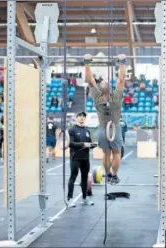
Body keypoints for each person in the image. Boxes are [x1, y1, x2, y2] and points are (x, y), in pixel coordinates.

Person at [84, 53, 126, 185]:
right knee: (116, 153)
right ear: (109, 88)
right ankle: (113, 175)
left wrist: (87, 62)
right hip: (114, 128)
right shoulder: (116, 96)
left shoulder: (97, 97)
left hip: (103, 129)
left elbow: (90, 80)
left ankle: (108, 175)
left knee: (106, 153)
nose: (104, 81)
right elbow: (121, 80)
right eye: (104, 82)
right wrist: (122, 62)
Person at [67, 111, 96, 206]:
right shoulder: (72, 130)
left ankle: (85, 198)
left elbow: (89, 143)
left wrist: (92, 145)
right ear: (76, 118)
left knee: (84, 179)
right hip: (75, 158)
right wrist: (83, 144)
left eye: (84, 116)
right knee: (73, 177)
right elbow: (70, 143)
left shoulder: (87, 131)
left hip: (85, 158)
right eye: (80, 116)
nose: (82, 118)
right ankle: (70, 199)